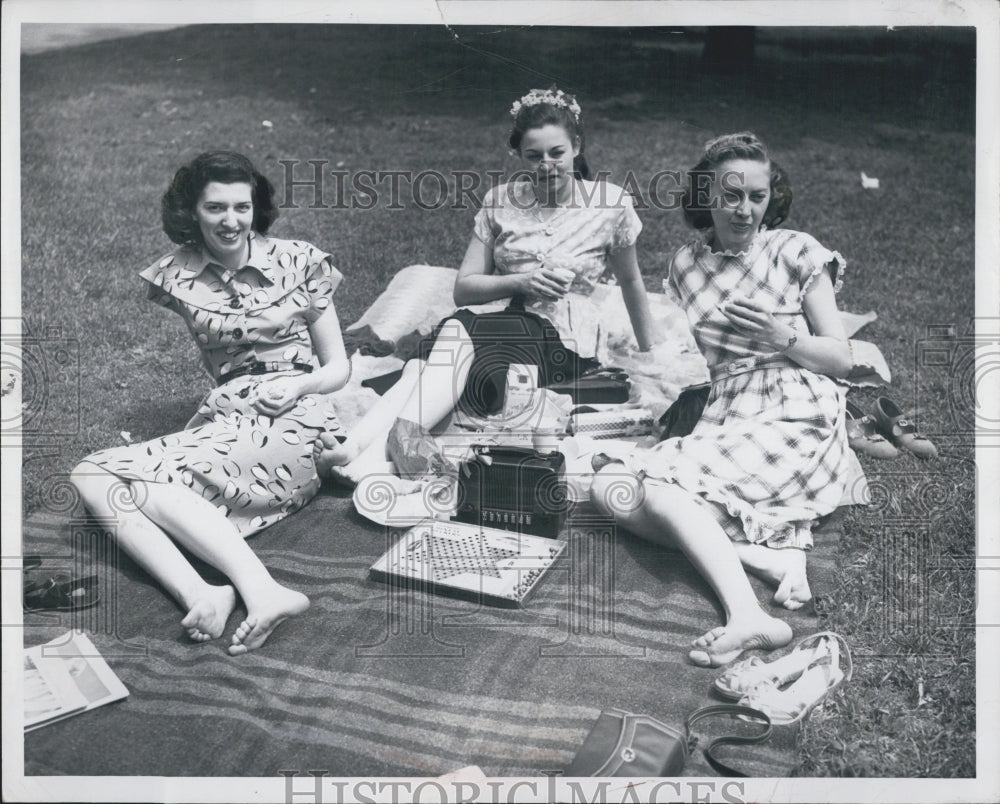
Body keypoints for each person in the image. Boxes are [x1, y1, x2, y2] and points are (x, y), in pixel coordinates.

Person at [70, 151, 351, 655]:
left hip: (294, 415)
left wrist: (298, 387)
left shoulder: (301, 261)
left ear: (256, 207)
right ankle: (203, 593)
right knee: (91, 476)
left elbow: (338, 368)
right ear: (191, 212)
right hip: (224, 416)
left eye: (242, 207)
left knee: (130, 481)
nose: (231, 221)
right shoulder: (176, 274)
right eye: (215, 208)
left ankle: (265, 592)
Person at [591, 131, 854, 667]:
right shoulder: (685, 267)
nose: (745, 209)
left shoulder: (795, 249)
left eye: (757, 196)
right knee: (608, 487)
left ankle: (748, 617)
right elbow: (705, 361)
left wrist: (783, 337)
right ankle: (766, 559)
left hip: (794, 401)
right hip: (728, 411)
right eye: (731, 195)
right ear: (705, 197)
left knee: (662, 494)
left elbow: (843, 360)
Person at [316, 87, 656, 483]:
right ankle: (358, 457)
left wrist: (650, 352)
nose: (546, 165)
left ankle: (396, 439)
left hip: (563, 340)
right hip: (500, 325)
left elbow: (631, 280)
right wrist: (521, 280)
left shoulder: (610, 204)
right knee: (423, 368)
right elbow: (464, 289)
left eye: (557, 153)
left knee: (452, 340)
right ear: (518, 155)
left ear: (576, 146)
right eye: (534, 156)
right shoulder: (501, 201)